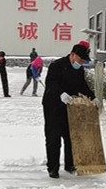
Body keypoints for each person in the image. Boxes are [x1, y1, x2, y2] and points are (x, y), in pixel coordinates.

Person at [41, 41, 97, 179]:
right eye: (80, 59)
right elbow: (51, 83)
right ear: (72, 55)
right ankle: (53, 168)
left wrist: (92, 97)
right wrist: (61, 93)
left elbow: (82, 85)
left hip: (70, 106)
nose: (81, 63)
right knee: (53, 138)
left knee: (70, 136)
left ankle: (70, 164)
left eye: (84, 61)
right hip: (53, 106)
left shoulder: (79, 69)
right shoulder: (57, 65)